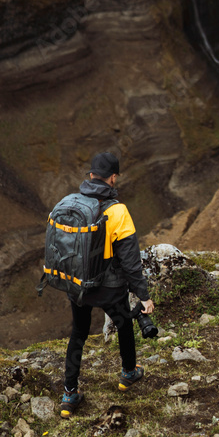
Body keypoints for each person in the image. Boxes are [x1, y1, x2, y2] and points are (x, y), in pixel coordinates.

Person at [60, 151, 154, 418]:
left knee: (78, 332)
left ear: (91, 176)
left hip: (77, 284)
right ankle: (128, 374)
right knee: (124, 322)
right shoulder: (118, 211)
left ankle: (69, 394)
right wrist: (144, 296)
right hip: (108, 287)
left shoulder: (71, 203)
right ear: (113, 178)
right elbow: (131, 261)